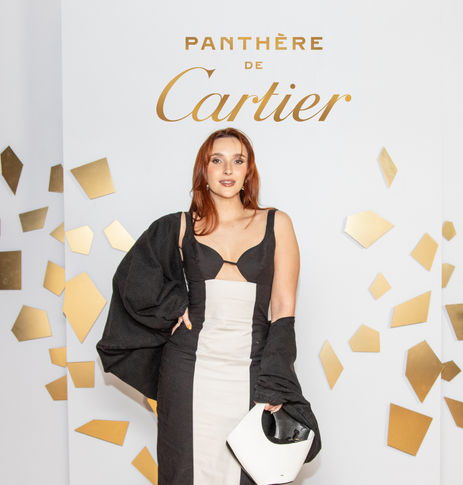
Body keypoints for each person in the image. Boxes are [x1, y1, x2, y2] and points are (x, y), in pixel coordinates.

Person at [96, 127, 321, 484]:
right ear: (204, 170)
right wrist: (173, 305)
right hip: (187, 368)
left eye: (238, 161)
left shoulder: (277, 223)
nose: (228, 170)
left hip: (252, 368)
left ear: (248, 171)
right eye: (217, 160)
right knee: (186, 468)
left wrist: (277, 379)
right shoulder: (180, 226)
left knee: (253, 470)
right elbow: (132, 278)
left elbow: (282, 308)